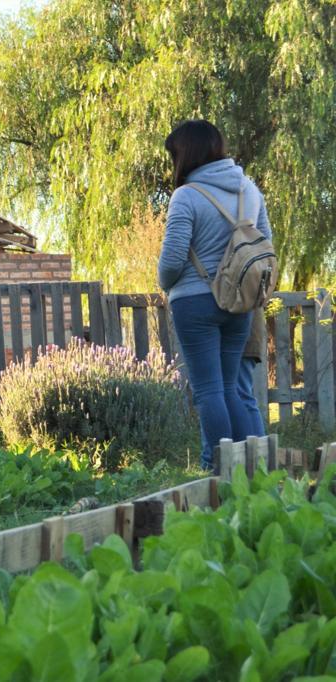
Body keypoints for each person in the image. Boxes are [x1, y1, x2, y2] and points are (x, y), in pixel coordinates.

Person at [157, 120, 272, 470]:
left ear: (186, 153)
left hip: (195, 301)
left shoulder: (187, 195)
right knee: (230, 388)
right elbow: (265, 242)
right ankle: (252, 469)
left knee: (208, 391)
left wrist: (165, 282)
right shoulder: (249, 191)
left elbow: (172, 260)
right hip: (239, 302)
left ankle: (219, 470)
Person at [199, 309, 267, 466]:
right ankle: (258, 461)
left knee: (235, 395)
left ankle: (254, 461)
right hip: (244, 332)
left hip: (239, 334)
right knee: (237, 395)